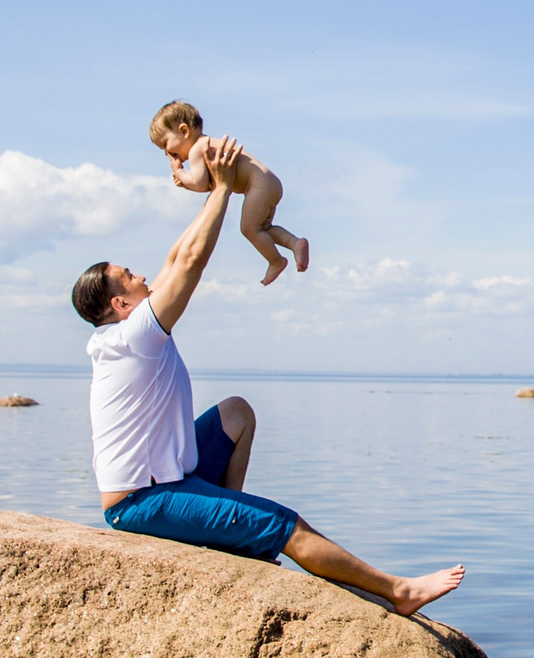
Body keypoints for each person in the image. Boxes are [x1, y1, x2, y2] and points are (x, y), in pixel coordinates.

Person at [68, 136, 463, 616]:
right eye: (128, 275)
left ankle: (225, 530)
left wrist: (224, 182)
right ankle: (398, 592)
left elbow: (176, 258)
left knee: (236, 412)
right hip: (143, 500)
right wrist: (220, 188)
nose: (142, 274)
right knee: (286, 526)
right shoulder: (133, 336)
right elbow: (190, 263)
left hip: (164, 481)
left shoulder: (126, 334)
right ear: (119, 304)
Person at [148, 100, 309, 286]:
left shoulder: (197, 149)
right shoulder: (207, 144)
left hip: (257, 186)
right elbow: (212, 183)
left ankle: (276, 261)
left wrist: (179, 173)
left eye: (165, 144)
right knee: (263, 228)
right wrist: (186, 183)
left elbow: (200, 184)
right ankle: (294, 243)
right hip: (268, 182)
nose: (168, 153)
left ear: (184, 131)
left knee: (249, 229)